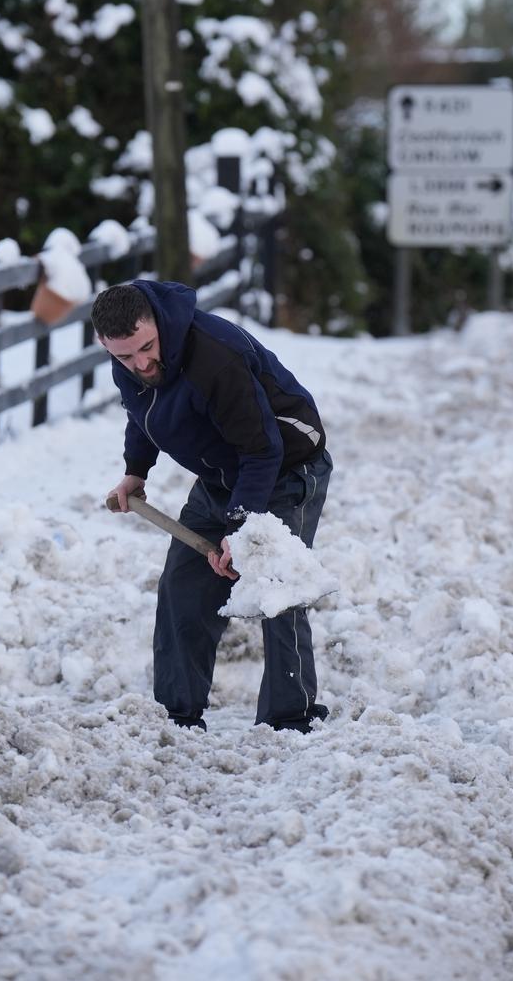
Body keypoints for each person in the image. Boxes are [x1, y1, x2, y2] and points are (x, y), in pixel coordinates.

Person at [94, 280, 333, 733]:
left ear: (158, 324)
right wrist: (136, 471)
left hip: (284, 468)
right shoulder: (129, 360)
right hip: (221, 474)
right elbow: (142, 414)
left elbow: (263, 451)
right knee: (183, 585)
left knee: (274, 585)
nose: (141, 364)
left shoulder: (214, 357)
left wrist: (242, 531)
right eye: (125, 357)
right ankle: (176, 714)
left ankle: (291, 717)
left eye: (147, 347)